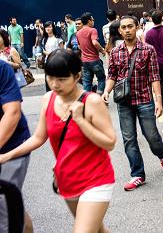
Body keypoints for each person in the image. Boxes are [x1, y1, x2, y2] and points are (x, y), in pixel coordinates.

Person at [0, 49, 116, 232]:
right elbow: (39, 137)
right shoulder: (48, 99)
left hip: (96, 179)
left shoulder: (92, 101)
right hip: (67, 180)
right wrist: (6, 156)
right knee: (97, 229)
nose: (54, 84)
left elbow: (110, 142)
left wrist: (80, 121)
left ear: (77, 76)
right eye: (50, 77)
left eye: (62, 79)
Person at [102, 15, 163, 191]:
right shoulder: (116, 52)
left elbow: (155, 76)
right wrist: (106, 91)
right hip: (123, 102)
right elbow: (112, 75)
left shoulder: (148, 50)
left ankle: (161, 154)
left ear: (137, 27)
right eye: (123, 27)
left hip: (144, 100)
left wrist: (158, 100)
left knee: (152, 137)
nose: (127, 30)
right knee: (129, 139)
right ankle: (138, 174)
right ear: (119, 30)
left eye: (130, 27)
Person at [0, 59, 33, 233]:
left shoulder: (1, 68)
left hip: (10, 148)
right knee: (12, 206)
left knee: (6, 214)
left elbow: (12, 112)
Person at [76, 13, 106, 95]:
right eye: (92, 20)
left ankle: (86, 100)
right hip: (94, 60)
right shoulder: (93, 30)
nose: (93, 21)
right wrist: (102, 50)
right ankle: (99, 97)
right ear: (89, 21)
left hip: (85, 61)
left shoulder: (78, 33)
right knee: (101, 78)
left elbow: (79, 46)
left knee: (87, 82)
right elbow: (95, 43)